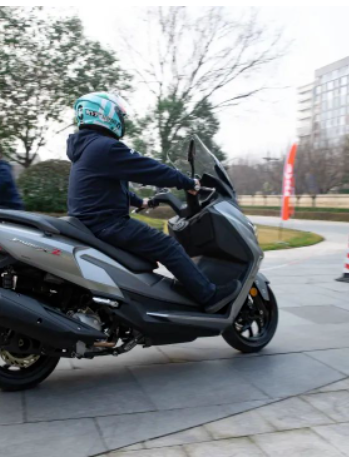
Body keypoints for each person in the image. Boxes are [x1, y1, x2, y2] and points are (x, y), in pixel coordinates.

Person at [66, 92, 241, 313]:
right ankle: (209, 296)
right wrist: (187, 182)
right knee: (167, 245)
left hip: (92, 222)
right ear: (105, 114)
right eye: (120, 115)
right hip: (107, 223)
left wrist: (141, 202)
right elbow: (149, 169)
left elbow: (107, 187)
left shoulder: (87, 148)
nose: (123, 120)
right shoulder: (105, 147)